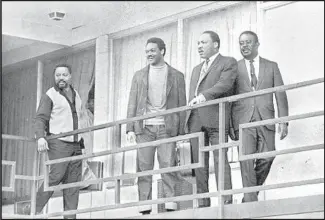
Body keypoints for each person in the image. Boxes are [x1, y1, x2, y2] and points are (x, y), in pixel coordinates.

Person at [126, 37, 186, 215]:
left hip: (166, 128)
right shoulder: (139, 75)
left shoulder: (177, 75)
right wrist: (130, 128)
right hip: (144, 129)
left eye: (152, 50)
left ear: (162, 51)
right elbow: (132, 102)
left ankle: (171, 204)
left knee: (168, 166)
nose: (149, 54)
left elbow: (181, 105)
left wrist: (182, 132)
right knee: (144, 167)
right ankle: (144, 206)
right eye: (147, 51)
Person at [230, 30, 289, 202]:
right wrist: (229, 126)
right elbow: (228, 100)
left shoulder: (271, 66)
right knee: (246, 162)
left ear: (257, 44)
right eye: (241, 43)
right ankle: (250, 203)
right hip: (243, 121)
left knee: (268, 156)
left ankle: (249, 197)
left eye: (248, 42)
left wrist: (283, 121)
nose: (244, 46)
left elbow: (280, 93)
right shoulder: (234, 68)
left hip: (266, 119)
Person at [185, 30, 238, 207]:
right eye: (198, 43)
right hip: (195, 120)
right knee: (199, 165)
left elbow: (225, 84)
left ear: (215, 44)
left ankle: (226, 200)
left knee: (220, 160)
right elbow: (191, 96)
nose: (199, 46)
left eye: (203, 43)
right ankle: (202, 203)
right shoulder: (196, 69)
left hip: (216, 118)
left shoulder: (228, 62)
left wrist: (204, 96)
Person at [33, 63, 84, 219]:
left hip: (76, 144)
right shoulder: (50, 94)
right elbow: (41, 117)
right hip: (59, 142)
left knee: (73, 184)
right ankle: (33, 209)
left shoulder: (76, 94)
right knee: (56, 176)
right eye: (57, 75)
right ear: (55, 78)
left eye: (64, 75)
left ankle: (70, 217)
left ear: (70, 76)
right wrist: (41, 137)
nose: (61, 78)